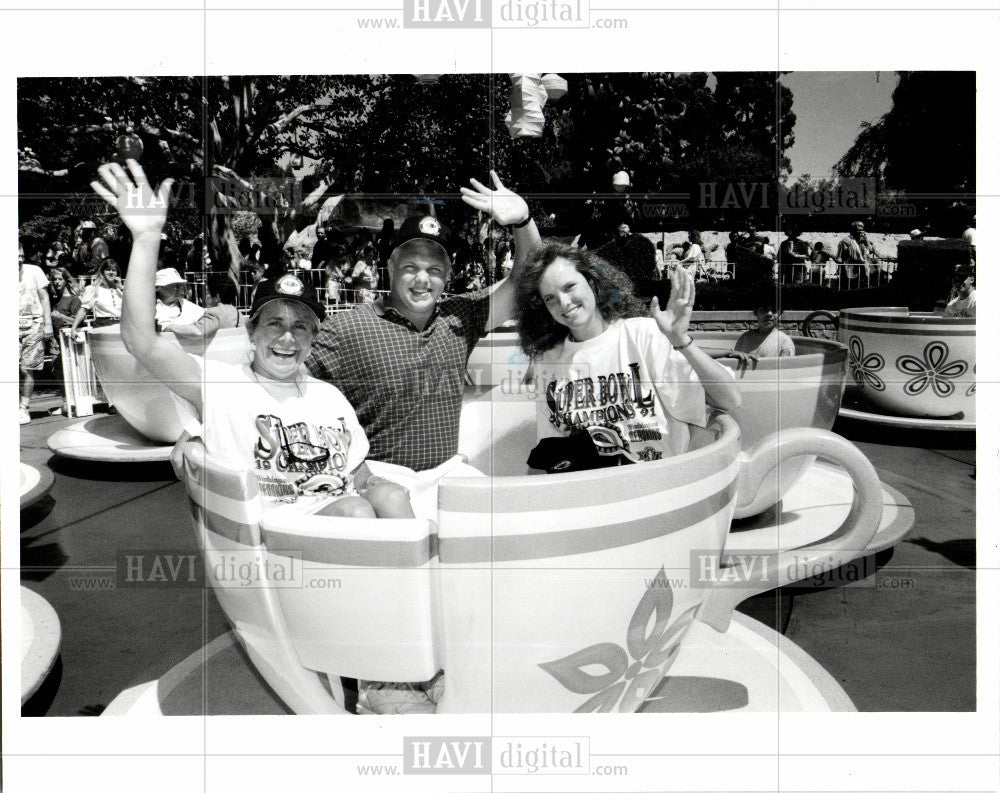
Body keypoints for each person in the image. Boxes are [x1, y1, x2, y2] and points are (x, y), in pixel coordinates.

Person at [92, 159, 413, 521]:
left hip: (345, 516)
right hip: (280, 542)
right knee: (356, 511)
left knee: (392, 496)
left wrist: (384, 491)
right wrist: (147, 239)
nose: (287, 338)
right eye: (275, 324)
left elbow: (357, 475)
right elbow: (141, 342)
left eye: (301, 327)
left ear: (313, 338)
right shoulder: (222, 386)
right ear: (252, 332)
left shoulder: (330, 398)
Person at [307, 171, 542, 472]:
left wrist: (523, 222)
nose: (422, 279)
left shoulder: (459, 318)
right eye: (410, 266)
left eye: (433, 269)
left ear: (447, 275)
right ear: (390, 267)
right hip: (378, 484)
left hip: (445, 475)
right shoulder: (345, 328)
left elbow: (527, 279)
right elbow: (287, 385)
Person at [515, 245, 741, 465]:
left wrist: (681, 341)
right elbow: (549, 452)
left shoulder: (642, 334)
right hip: (590, 491)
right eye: (550, 298)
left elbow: (730, 399)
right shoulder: (548, 360)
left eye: (569, 287)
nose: (563, 302)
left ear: (592, 283)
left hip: (657, 486)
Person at [19, 245, 54, 424]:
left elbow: (45, 298)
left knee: (27, 368)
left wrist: (48, 324)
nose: (19, 260)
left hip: (34, 323)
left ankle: (24, 408)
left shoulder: (34, 271)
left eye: (21, 256)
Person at [168, 272, 241, 338]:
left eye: (207, 293)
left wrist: (171, 327)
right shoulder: (237, 313)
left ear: (216, 297)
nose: (205, 297)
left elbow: (198, 332)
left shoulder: (215, 312)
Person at [70, 258, 123, 332]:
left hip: (121, 325)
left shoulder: (121, 291)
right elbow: (84, 309)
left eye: (114, 270)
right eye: (108, 270)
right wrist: (74, 328)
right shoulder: (94, 289)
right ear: (103, 272)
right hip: (104, 325)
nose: (111, 272)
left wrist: (121, 288)